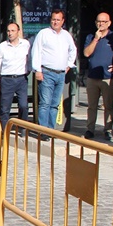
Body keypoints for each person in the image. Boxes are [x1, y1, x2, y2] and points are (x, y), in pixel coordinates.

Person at [31, 9, 77, 137]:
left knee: (55, 104)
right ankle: (43, 131)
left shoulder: (66, 35)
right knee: (45, 103)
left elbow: (73, 50)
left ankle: (51, 130)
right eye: (53, 19)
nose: (55, 22)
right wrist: (38, 70)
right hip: (47, 72)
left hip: (61, 74)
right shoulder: (43, 33)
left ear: (62, 21)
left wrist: (68, 65)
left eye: (58, 20)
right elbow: (36, 51)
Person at [83, 12, 113, 140]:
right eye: (99, 21)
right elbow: (86, 53)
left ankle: (108, 129)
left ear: (109, 23)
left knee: (108, 105)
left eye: (104, 22)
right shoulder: (91, 37)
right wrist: (96, 39)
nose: (101, 24)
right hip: (92, 77)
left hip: (108, 77)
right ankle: (90, 129)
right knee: (92, 106)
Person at [0, 22, 30, 131]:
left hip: (21, 79)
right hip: (6, 80)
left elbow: (30, 59)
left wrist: (30, 70)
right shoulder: (2, 46)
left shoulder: (26, 44)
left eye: (13, 31)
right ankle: (4, 132)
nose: (10, 33)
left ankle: (22, 128)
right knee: (5, 108)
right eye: (8, 31)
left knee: (23, 105)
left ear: (18, 32)